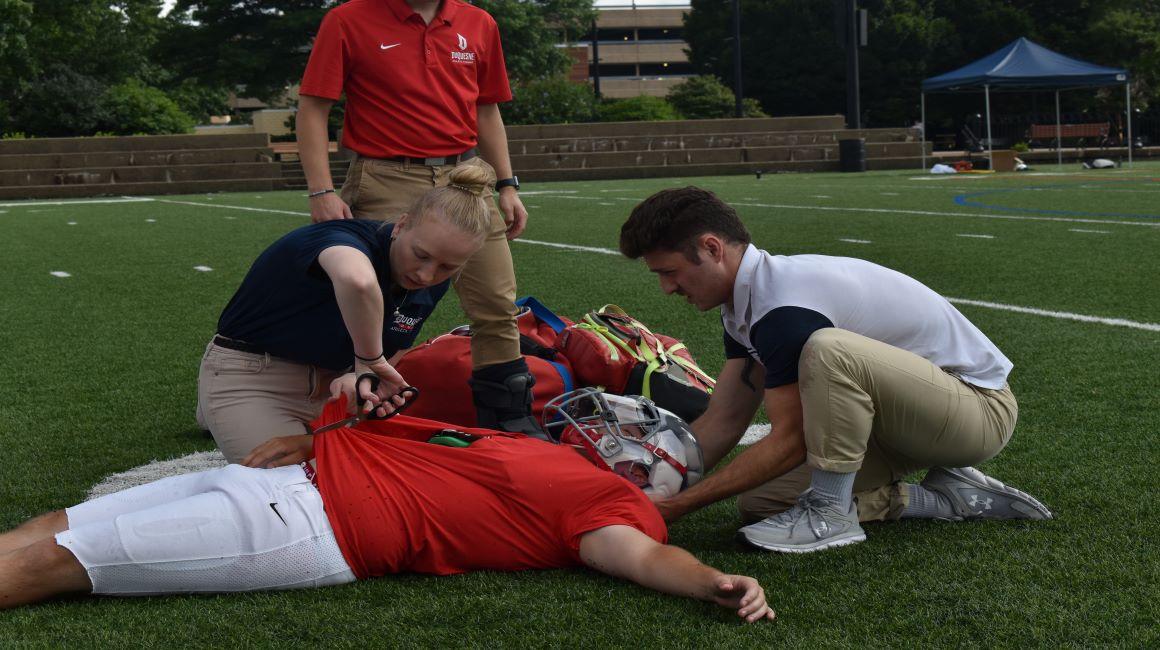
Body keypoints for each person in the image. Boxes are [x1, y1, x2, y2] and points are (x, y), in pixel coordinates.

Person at [0, 392, 775, 624]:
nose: (598, 426)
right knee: (48, 529)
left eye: (620, 431)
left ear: (643, 470)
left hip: (312, 529)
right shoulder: (539, 451)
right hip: (274, 484)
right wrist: (307, 441)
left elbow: (639, 556)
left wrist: (712, 580)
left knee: (51, 565)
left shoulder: (613, 504)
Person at [617, 187, 1053, 553]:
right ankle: (942, 497)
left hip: (976, 411)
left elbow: (790, 441)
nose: (667, 288)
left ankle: (830, 511)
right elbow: (724, 418)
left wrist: (676, 509)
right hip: (900, 421)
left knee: (827, 350)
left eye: (670, 272)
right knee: (764, 500)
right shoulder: (745, 305)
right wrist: (662, 483)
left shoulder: (783, 306)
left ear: (712, 248)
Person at [296, 0, 538, 435]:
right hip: (386, 175)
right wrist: (321, 190)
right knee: (370, 305)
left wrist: (507, 184)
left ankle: (510, 418)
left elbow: (487, 108)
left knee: (497, 305)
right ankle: (332, 407)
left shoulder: (478, 22)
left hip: (465, 178)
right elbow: (314, 107)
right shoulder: (348, 19)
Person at [197, 166, 491, 463]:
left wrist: (363, 378)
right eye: (421, 255)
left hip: (333, 388)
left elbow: (398, 343)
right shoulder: (344, 239)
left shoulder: (427, 280)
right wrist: (368, 360)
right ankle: (220, 404)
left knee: (369, 480)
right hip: (256, 376)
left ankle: (221, 413)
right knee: (294, 492)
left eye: (447, 267)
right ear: (401, 226)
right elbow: (358, 282)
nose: (427, 275)